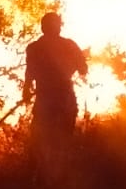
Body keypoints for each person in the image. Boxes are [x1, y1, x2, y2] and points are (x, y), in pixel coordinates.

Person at [22, 11, 87, 167]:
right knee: (63, 138)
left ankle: (39, 171)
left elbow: (29, 73)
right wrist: (77, 61)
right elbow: (83, 69)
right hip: (64, 99)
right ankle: (60, 170)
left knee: (40, 138)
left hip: (45, 99)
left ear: (42, 27)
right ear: (58, 27)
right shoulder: (69, 45)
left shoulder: (34, 47)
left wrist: (26, 90)